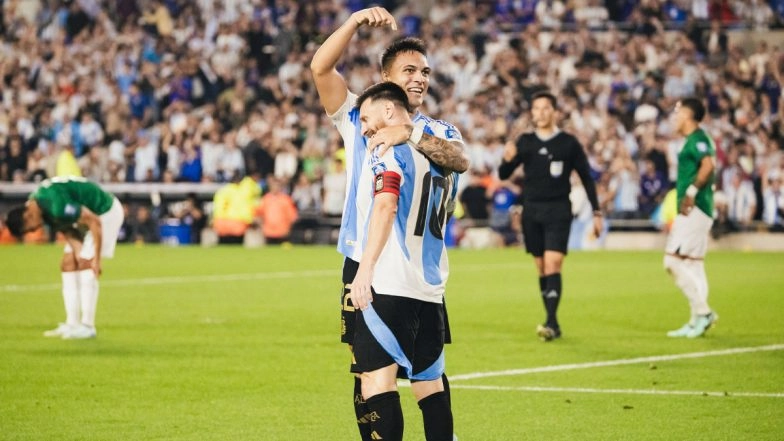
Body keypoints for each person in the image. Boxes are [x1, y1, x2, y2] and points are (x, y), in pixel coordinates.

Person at [310, 7, 469, 440]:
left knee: (391, 375)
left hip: (394, 270)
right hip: (366, 260)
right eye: (410, 70)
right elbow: (320, 67)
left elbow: (459, 161)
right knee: (373, 371)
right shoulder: (362, 117)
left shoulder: (437, 132)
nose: (420, 78)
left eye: (425, 71)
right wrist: (353, 22)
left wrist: (410, 134)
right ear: (386, 75)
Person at [350, 81, 457, 441]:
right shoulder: (440, 144)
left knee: (377, 380)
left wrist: (364, 271)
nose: (364, 128)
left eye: (366, 117)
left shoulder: (387, 148)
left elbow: (386, 204)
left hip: (392, 283)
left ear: (389, 110)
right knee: (429, 385)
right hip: (430, 287)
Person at [498, 91, 603, 342]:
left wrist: (597, 212)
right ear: (532, 113)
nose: (541, 113)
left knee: (554, 263)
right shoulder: (525, 142)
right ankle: (550, 318)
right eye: (536, 109)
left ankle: (552, 322)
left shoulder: (568, 143)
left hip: (558, 210)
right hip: (532, 211)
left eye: (546, 108)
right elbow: (503, 174)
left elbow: (587, 178)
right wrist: (507, 158)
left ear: (555, 112)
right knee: (541, 268)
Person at [4, 176, 124, 339]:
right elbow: (66, 229)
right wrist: (78, 252)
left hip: (105, 213)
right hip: (88, 220)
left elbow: (93, 221)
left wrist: (96, 259)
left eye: (30, 229)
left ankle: (88, 326)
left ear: (28, 216)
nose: (34, 231)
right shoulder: (39, 206)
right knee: (68, 264)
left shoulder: (56, 205)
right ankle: (72, 323)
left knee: (87, 265)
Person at [663, 97, 719, 338]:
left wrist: (692, 192)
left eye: (677, 113)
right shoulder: (692, 139)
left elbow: (708, 165)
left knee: (672, 262)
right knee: (693, 264)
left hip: (695, 208)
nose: (674, 118)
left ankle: (703, 312)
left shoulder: (698, 139)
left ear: (686, 115)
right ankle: (696, 319)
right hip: (698, 208)